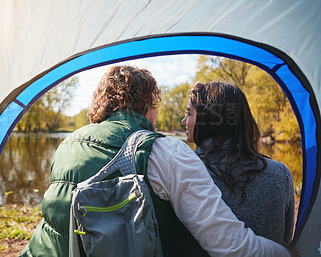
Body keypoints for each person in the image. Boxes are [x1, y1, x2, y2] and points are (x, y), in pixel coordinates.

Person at [20, 66, 292, 257]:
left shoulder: (68, 143)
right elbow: (231, 246)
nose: (180, 121)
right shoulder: (166, 152)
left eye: (189, 114)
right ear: (149, 103)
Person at [182, 81, 295, 254]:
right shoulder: (280, 174)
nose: (184, 121)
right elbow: (284, 243)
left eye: (189, 113)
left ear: (209, 119)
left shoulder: (183, 170)